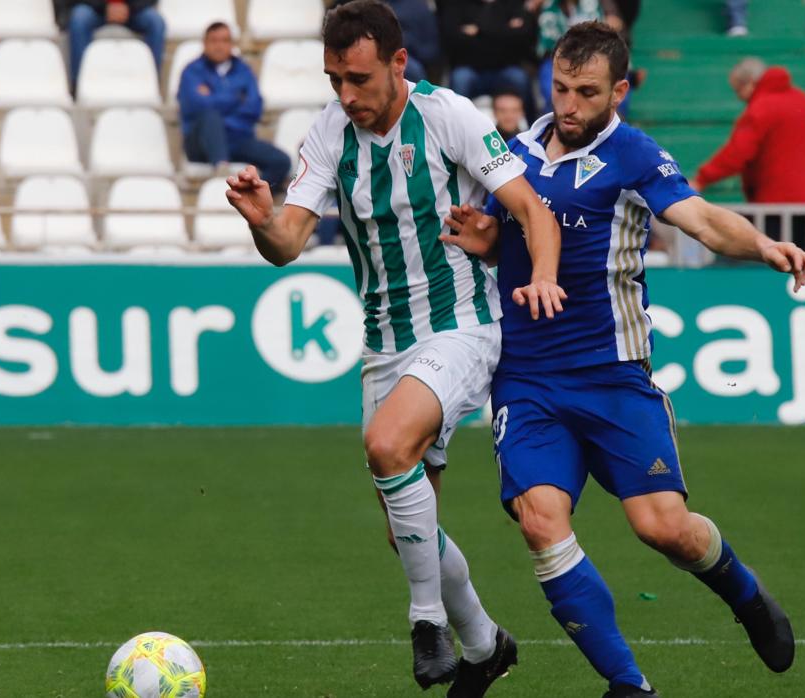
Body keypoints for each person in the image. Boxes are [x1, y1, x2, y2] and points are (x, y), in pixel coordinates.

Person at [443, 22, 805, 698]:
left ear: (619, 90)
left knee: (662, 529)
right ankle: (628, 685)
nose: (570, 104)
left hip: (612, 378)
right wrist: (486, 241)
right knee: (539, 522)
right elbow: (506, 240)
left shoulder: (635, 155)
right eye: (560, 88)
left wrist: (762, 245)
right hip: (525, 380)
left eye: (586, 92)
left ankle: (743, 592)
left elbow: (699, 219)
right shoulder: (515, 150)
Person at [223, 2, 564, 695]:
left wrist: (546, 277)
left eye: (357, 78)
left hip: (462, 323)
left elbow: (531, 207)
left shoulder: (451, 117)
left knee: (385, 446)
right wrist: (262, 222)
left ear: (397, 64)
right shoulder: (327, 133)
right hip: (383, 344)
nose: (345, 96)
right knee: (406, 525)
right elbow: (287, 244)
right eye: (332, 80)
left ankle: (426, 620)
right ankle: (484, 645)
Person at [691, 57, 805, 248]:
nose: (739, 97)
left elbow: (737, 154)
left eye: (738, 90)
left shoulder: (761, 107)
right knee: (799, 256)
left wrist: (701, 179)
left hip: (777, 201)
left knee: (771, 254)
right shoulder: (801, 98)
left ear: (750, 84)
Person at [178, 22, 290, 189]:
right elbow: (195, 106)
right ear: (205, 44)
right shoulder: (192, 71)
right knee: (210, 117)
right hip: (201, 143)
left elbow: (254, 108)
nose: (219, 46)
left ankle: (252, 199)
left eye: (224, 40)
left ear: (232, 44)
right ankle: (221, 166)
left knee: (281, 161)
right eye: (214, 40)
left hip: (237, 139)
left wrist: (218, 111)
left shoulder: (244, 71)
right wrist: (236, 98)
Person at [439, 0, 536, 117]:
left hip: (505, 68)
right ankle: (453, 129)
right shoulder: (457, 4)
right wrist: (504, 29)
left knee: (520, 79)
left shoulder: (513, 4)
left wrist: (479, 31)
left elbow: (524, 38)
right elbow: (452, 40)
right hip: (470, 69)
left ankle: (534, 128)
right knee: (460, 80)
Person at [535, 0, 624, 110]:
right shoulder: (545, 5)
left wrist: (612, 24)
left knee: (612, 89)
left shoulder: (601, 3)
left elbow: (617, 33)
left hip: (593, 58)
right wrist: (531, 9)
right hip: (554, 59)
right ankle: (554, 125)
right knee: (552, 93)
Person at [64, 0, 165, 89]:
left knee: (156, 23)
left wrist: (129, 6)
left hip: (133, 10)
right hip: (95, 9)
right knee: (79, 19)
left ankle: (152, 84)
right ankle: (78, 85)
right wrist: (105, 6)